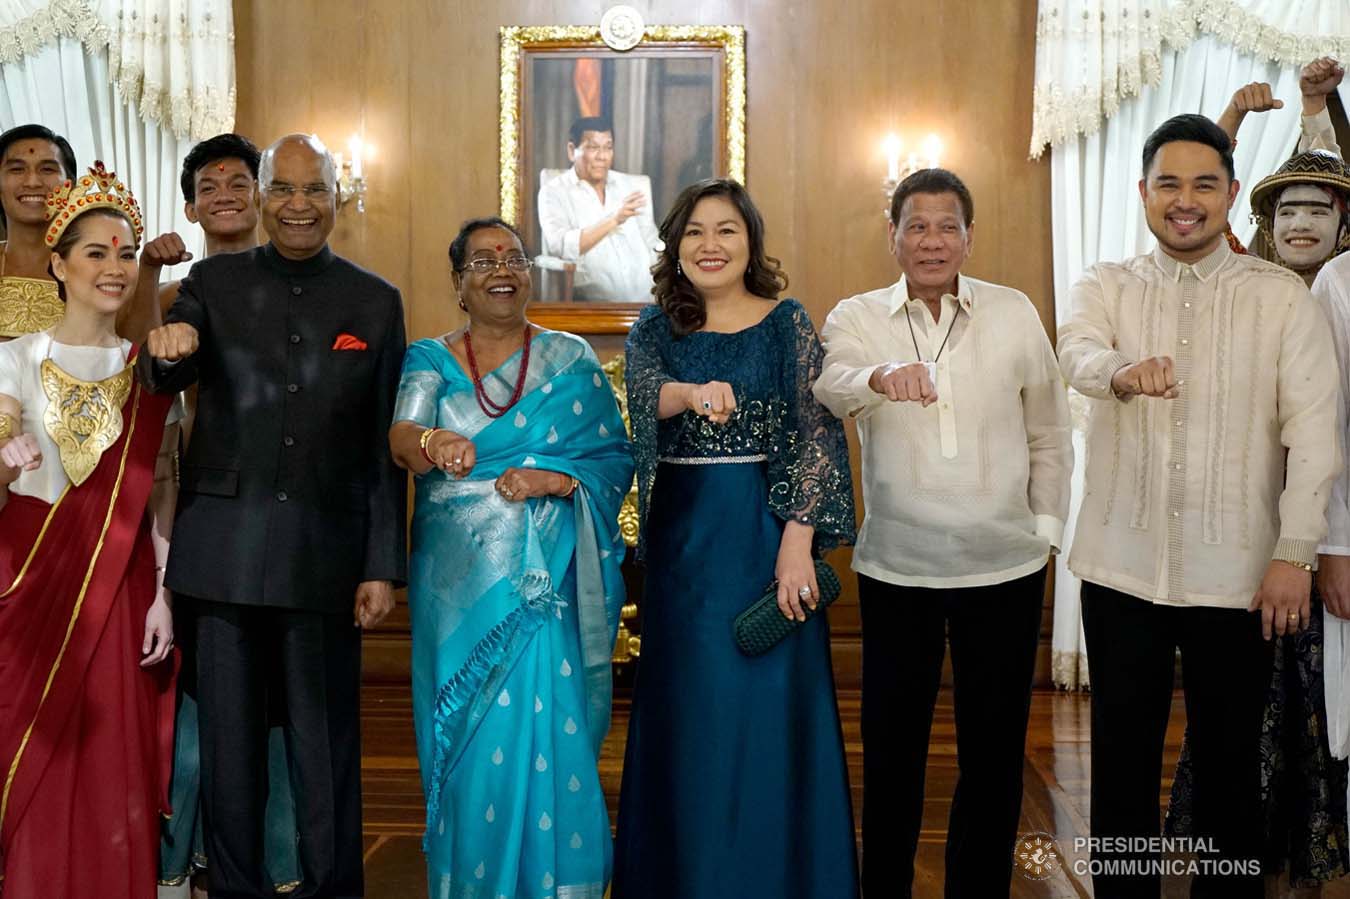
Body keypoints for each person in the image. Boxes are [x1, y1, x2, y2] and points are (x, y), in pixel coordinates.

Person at [1058, 113, 1341, 898]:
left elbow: (1315, 434)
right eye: (1170, 184)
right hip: (1120, 568)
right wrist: (1118, 371)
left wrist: (1294, 554)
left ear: (1232, 193)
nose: (1186, 201)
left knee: (1228, 775)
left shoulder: (1281, 298)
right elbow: (1075, 351)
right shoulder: (1105, 283)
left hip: (1242, 575)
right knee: (1119, 769)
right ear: (1143, 192)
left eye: (1204, 184)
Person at [137, 133, 407, 899]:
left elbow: (382, 444)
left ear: (335, 197)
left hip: (325, 563)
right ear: (262, 197)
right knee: (229, 758)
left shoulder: (374, 300)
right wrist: (167, 343)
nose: (297, 205)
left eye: (313, 190)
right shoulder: (212, 283)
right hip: (219, 559)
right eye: (282, 190)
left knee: (324, 757)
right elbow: (166, 372)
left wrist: (382, 563)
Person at [813, 167, 1072, 898]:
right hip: (899, 572)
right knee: (894, 755)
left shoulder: (1014, 310)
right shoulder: (856, 315)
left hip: (1008, 569)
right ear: (892, 235)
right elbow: (829, 386)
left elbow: (1050, 427)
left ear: (969, 235)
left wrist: (1044, 527)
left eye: (947, 226)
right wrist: (879, 376)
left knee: (993, 758)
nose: (933, 240)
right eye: (917, 226)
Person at [613, 178, 859, 898]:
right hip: (684, 552)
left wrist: (795, 542)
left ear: (750, 241)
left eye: (726, 230)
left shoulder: (788, 323)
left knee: (769, 718)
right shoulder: (656, 329)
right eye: (694, 231)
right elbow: (642, 393)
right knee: (691, 719)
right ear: (676, 247)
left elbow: (818, 435)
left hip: (765, 536)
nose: (710, 244)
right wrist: (691, 394)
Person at [388, 216, 633, 899]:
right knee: (466, 746)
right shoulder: (430, 358)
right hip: (456, 585)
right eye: (483, 259)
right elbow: (402, 436)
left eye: (514, 256)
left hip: (541, 582)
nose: (502, 268)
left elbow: (613, 460)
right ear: (459, 282)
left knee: (544, 728)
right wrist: (436, 442)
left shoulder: (572, 360)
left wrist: (555, 481)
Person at [0, 163, 177, 898]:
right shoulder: (12, 356)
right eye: (96, 252)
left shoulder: (150, 372)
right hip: (27, 586)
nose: (113, 267)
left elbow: (163, 491)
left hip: (123, 593)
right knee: (36, 778)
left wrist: (165, 594)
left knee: (114, 773)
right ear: (58, 262)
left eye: (126, 252)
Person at [135, 134, 301, 899]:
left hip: (282, 528)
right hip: (190, 516)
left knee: (274, 710)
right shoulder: (179, 296)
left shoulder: (299, 289)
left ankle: (271, 865)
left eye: (243, 180)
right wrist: (146, 274)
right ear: (192, 204)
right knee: (200, 703)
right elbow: (148, 376)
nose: (228, 193)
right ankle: (182, 864)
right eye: (212, 184)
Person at [537, 116, 661, 301]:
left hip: (648, 298)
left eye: (608, 148)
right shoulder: (553, 192)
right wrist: (614, 220)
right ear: (572, 151)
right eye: (593, 147)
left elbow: (652, 241)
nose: (602, 156)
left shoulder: (631, 186)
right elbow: (560, 246)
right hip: (594, 304)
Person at [0, 124, 77, 340]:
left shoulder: (92, 267)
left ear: (70, 186)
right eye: (17, 169)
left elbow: (129, 355)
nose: (32, 182)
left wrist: (148, 271)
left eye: (47, 169)